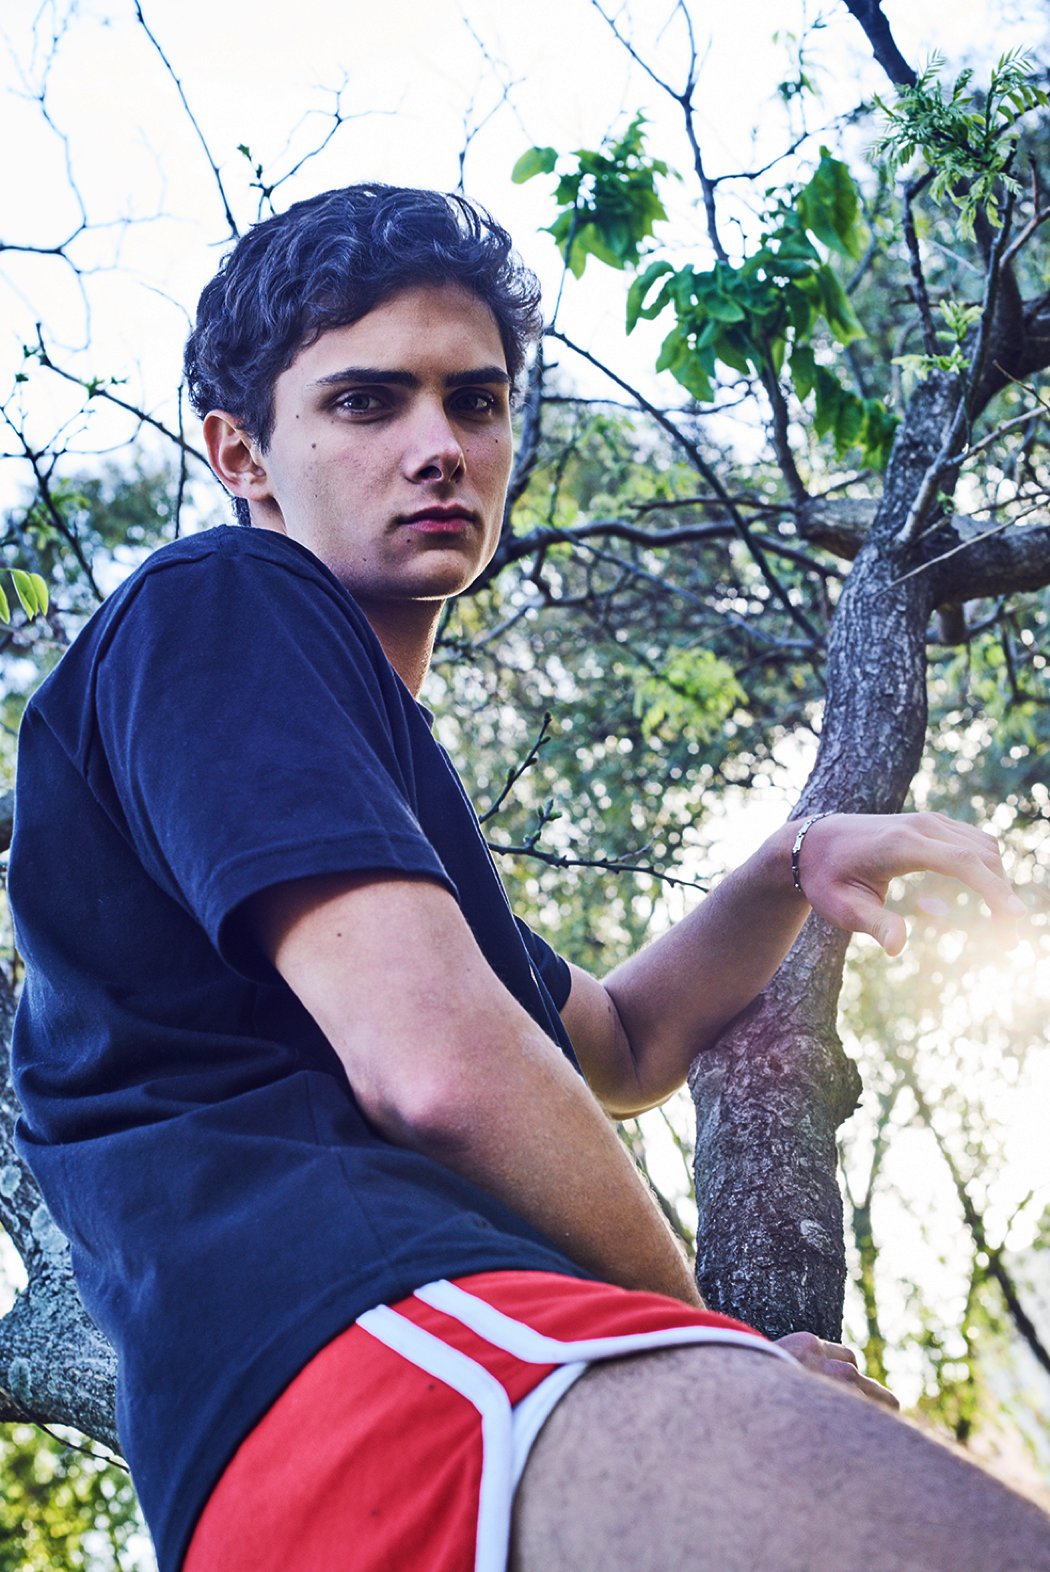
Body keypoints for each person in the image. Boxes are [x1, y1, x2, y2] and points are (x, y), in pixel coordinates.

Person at [9, 184, 1049, 1572]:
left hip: (314, 1443)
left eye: (477, 401)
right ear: (240, 451)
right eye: (366, 402)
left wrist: (792, 861)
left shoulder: (360, 802)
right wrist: (720, 1345)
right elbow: (440, 1073)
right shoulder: (223, 600)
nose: (440, 446)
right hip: (391, 1349)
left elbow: (619, 1044)